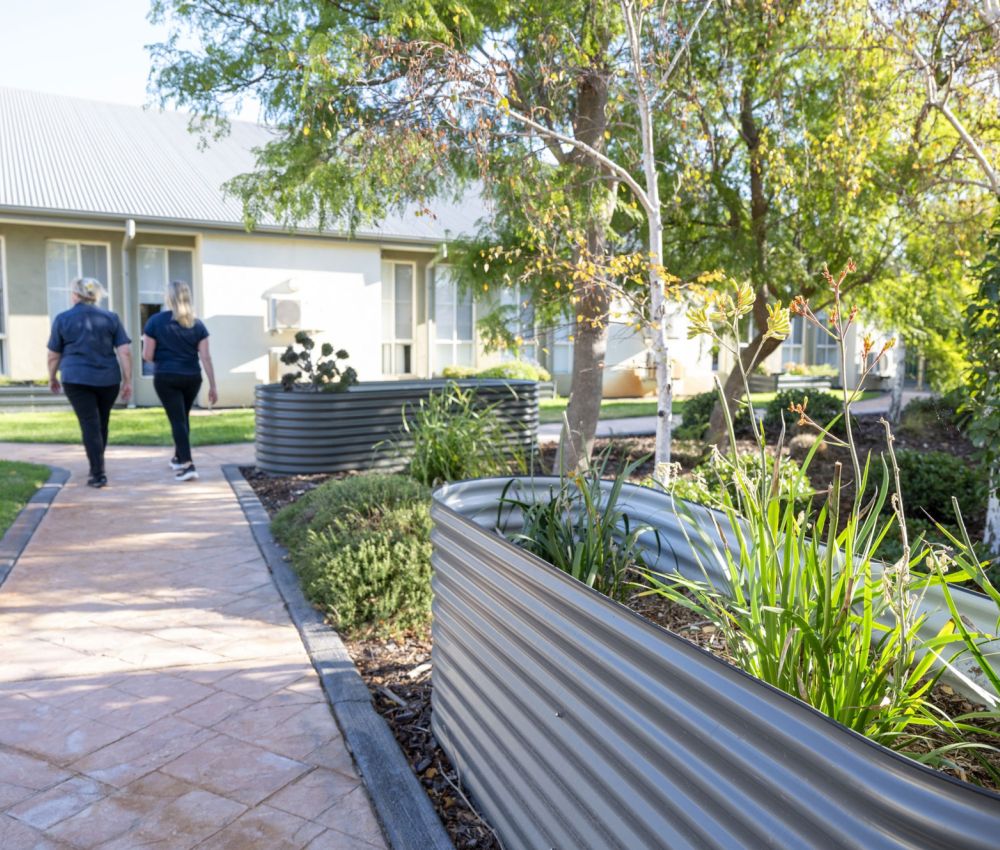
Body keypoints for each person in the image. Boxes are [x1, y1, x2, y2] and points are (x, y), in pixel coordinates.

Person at [47, 278, 132, 488]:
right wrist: (128, 380)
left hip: (76, 378)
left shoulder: (63, 319)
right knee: (101, 422)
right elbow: (125, 351)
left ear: (75, 294)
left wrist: (51, 376)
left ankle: (98, 472)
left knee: (89, 423)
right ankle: (98, 466)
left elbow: (53, 355)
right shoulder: (111, 318)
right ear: (95, 296)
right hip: (108, 379)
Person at [142, 280, 218, 481]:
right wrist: (213, 385)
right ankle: (178, 457)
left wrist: (164, 358)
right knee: (182, 418)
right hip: (192, 377)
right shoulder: (198, 324)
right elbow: (206, 357)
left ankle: (188, 464)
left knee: (177, 420)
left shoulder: (155, 322)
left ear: (168, 298)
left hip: (166, 376)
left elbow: (147, 355)